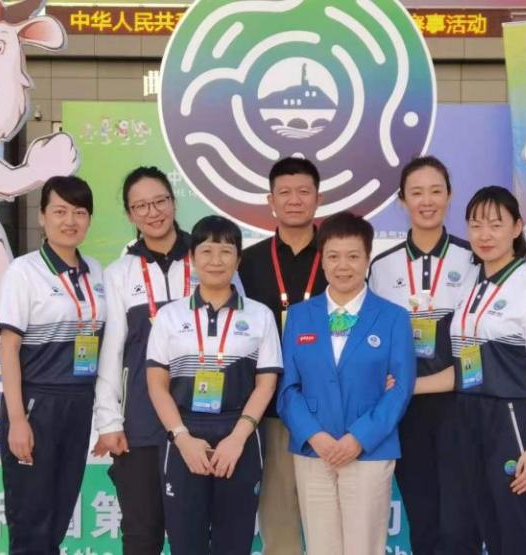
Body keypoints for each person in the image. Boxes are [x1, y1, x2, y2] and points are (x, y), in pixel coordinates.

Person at [416, 186, 526, 554]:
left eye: (496, 225)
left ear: (517, 228)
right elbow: (469, 372)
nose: (485, 235)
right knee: (464, 532)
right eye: (476, 225)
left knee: (515, 537)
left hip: (511, 421)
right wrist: (407, 386)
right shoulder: (470, 290)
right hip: (466, 419)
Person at [278, 212, 416, 555]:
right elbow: (288, 389)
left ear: (368, 259)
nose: (343, 266)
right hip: (314, 451)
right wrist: (315, 435)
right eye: (333, 256)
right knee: (321, 546)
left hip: (369, 450)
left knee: (363, 547)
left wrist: (359, 438)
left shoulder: (393, 317)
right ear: (322, 261)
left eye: (353, 256)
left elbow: (400, 389)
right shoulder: (299, 316)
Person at [146, 216, 282, 554]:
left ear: (238, 259)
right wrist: (182, 438)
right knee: (185, 543)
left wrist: (237, 438)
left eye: (226, 251)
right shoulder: (170, 316)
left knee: (234, 542)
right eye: (206, 251)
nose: (216, 260)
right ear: (192, 258)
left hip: (240, 435)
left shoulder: (260, 315)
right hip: (184, 433)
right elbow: (157, 384)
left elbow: (266, 384)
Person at [367, 156, 481, 554]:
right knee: (424, 520)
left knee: (460, 525)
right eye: (416, 193)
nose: (427, 201)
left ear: (450, 196)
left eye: (436, 191)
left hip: (462, 406)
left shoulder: (475, 260)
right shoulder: (382, 268)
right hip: (406, 413)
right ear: (402, 201)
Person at [0, 176, 106, 553]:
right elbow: (9, 348)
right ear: (42, 216)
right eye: (59, 211)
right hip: (37, 403)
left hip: (79, 404)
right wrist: (17, 420)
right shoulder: (24, 271)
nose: (70, 221)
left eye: (79, 212)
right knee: (31, 521)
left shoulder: (96, 271)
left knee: (58, 515)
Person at [92, 167, 194, 554]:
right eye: (140, 206)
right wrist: (109, 421)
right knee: (141, 535)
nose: (153, 212)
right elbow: (111, 352)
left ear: (173, 201)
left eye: (159, 201)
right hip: (141, 423)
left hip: (201, 420)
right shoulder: (120, 273)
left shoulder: (209, 259)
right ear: (130, 214)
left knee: (196, 534)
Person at [238, 156, 327, 554]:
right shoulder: (248, 262)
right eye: (285, 192)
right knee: (279, 519)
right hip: (271, 408)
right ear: (270, 200)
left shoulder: (339, 256)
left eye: (304, 191)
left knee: (330, 520)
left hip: (330, 408)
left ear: (318, 199)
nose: (295, 200)